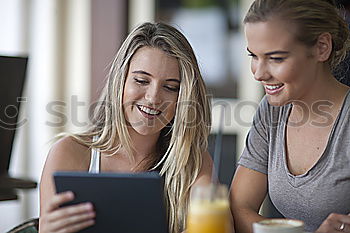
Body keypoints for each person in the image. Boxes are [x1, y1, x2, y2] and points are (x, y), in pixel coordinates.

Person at [39, 22, 214, 233]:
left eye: (170, 87)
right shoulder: (70, 153)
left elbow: (218, 228)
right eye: (141, 80)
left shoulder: (193, 164)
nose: (153, 98)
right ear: (120, 81)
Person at [230, 0, 350, 233]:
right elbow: (238, 207)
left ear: (322, 47)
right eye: (253, 56)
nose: (259, 73)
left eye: (276, 58)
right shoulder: (272, 110)